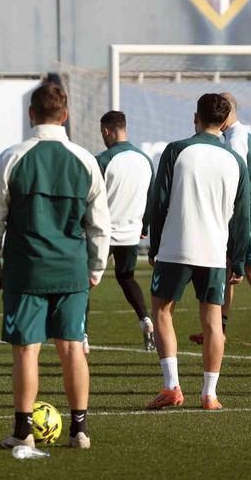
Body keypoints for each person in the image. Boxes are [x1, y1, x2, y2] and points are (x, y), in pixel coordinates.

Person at [0, 82, 110, 450]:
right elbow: (99, 224)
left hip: (26, 269)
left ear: (31, 114)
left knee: (26, 350)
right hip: (71, 270)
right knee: (72, 349)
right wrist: (96, 268)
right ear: (65, 115)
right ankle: (79, 431)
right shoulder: (85, 160)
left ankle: (24, 431)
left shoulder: (12, 158)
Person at [147, 94, 250, 411]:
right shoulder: (236, 160)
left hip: (176, 247)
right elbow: (241, 215)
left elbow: (159, 202)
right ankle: (209, 394)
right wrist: (239, 259)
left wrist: (154, 247)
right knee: (213, 322)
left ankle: (171, 387)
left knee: (162, 312)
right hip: (215, 252)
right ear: (225, 121)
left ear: (196, 117)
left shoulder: (177, 150)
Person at [92, 110, 156, 352]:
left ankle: (81, 336)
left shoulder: (104, 160)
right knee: (126, 277)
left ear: (107, 131)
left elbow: (90, 198)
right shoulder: (144, 159)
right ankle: (145, 321)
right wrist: (145, 226)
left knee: (85, 283)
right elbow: (153, 198)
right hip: (131, 233)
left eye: (102, 133)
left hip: (103, 233)